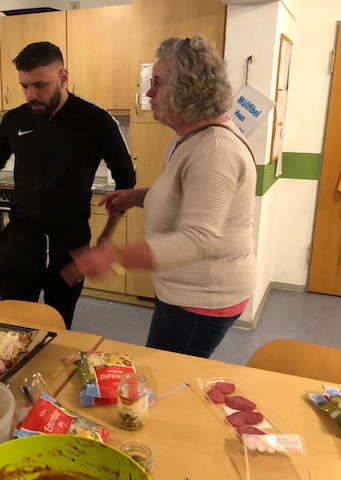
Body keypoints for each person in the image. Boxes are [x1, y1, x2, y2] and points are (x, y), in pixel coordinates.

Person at [71, 35, 256, 357]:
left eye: (158, 84)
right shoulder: (187, 138)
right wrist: (139, 197)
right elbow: (184, 196)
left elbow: (197, 239)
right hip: (183, 292)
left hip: (203, 299)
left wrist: (114, 258)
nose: (149, 93)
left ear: (189, 89)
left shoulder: (215, 151)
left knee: (167, 376)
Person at [0, 42, 136, 329]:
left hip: (69, 247)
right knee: (12, 325)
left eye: (39, 85)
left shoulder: (96, 121)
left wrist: (105, 238)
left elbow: (126, 182)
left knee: (58, 326)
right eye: (24, 86)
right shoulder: (14, 119)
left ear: (63, 77)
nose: (31, 95)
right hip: (20, 244)